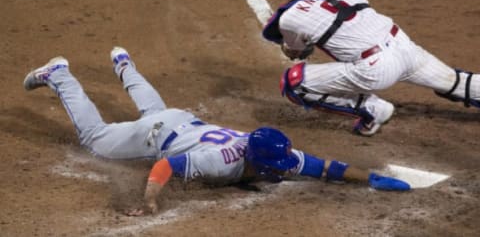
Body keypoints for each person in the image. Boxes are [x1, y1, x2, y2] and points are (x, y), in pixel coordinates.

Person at [23, 47, 410, 216]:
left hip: (181, 119)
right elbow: (166, 168)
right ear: (256, 161)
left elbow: (329, 169)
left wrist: (372, 179)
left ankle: (125, 65)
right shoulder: (219, 163)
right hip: (159, 134)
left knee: (157, 108)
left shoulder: (279, 155)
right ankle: (60, 75)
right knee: (96, 140)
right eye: (273, 169)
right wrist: (153, 200)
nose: (279, 174)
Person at [263, 0, 480, 136]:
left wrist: (294, 42)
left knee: (293, 83)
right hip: (404, 47)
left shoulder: (290, 17)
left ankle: (372, 108)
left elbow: (295, 53)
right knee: (455, 82)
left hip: (375, 70)